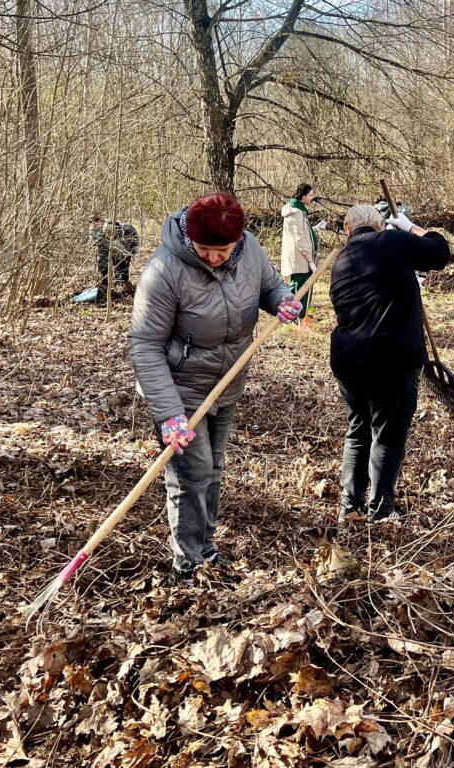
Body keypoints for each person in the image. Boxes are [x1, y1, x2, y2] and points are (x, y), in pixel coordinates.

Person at [128, 193, 302, 585]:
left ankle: (206, 547)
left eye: (221, 250)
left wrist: (282, 302)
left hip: (227, 381)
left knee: (214, 469)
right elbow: (144, 345)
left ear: (237, 241)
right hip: (179, 389)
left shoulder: (250, 250)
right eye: (205, 249)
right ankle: (187, 562)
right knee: (193, 474)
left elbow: (269, 287)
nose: (213, 258)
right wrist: (170, 413)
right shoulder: (164, 270)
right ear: (191, 239)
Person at [330, 204, 450, 523]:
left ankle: (349, 506)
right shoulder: (392, 243)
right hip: (391, 358)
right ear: (381, 224)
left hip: (348, 358)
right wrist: (411, 228)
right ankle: (381, 509)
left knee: (359, 430)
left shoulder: (342, 260)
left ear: (348, 231)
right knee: (387, 432)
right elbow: (440, 252)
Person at [281, 183, 320, 329]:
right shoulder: (296, 212)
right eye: (310, 195)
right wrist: (310, 260)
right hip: (300, 258)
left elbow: (303, 232)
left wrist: (315, 229)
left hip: (303, 257)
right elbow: (299, 238)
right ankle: (295, 319)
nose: (312, 198)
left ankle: (300, 318)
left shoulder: (299, 211)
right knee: (299, 288)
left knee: (302, 287)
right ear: (302, 196)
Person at [89, 213, 139, 292]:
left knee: (121, 263)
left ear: (101, 221)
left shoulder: (110, 227)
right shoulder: (93, 230)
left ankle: (123, 285)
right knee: (103, 262)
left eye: (96, 221)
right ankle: (104, 284)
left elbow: (120, 248)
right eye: (92, 222)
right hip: (108, 246)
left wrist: (125, 254)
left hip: (127, 243)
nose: (94, 224)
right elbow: (92, 244)